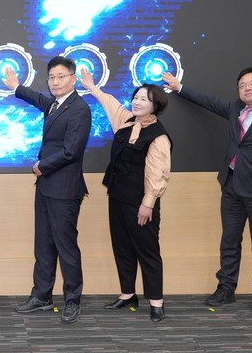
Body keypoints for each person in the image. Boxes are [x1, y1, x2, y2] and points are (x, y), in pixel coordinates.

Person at [162, 68, 252, 314]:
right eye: (242, 85)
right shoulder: (235, 109)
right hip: (231, 187)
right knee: (229, 241)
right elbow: (209, 101)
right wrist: (179, 87)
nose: (247, 88)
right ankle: (226, 288)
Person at [2, 56, 91, 324]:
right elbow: (39, 99)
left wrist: (42, 166)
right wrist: (17, 87)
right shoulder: (54, 103)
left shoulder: (79, 109)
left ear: (73, 79)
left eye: (61, 77)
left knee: (66, 247)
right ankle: (42, 296)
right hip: (45, 187)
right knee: (43, 244)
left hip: (64, 189)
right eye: (51, 77)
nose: (55, 82)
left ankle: (73, 300)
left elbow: (71, 151)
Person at [79, 69, 172, 322]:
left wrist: (147, 204)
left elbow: (158, 174)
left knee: (147, 250)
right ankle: (128, 294)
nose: (137, 102)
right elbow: (109, 102)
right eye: (136, 97)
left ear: (155, 105)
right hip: (118, 195)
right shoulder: (126, 121)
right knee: (122, 246)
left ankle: (156, 302)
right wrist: (92, 87)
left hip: (141, 202)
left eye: (144, 99)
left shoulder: (158, 136)